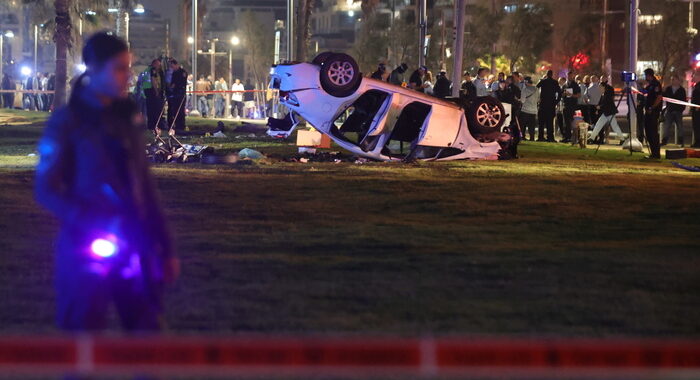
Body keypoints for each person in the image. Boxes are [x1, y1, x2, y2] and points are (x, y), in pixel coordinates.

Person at [34, 32, 178, 332]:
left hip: (135, 241)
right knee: (84, 339)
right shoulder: (68, 120)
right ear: (93, 69)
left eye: (128, 67)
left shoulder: (128, 118)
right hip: (84, 245)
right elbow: (47, 187)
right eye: (118, 68)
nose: (127, 77)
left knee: (147, 335)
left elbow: (144, 184)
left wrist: (164, 245)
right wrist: (90, 220)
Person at [589, 76, 625, 144]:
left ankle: (592, 138)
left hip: (609, 112)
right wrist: (599, 107)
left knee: (602, 125)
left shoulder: (606, 95)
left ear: (603, 88)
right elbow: (603, 103)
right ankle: (592, 138)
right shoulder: (604, 94)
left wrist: (600, 107)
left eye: (600, 87)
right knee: (601, 125)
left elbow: (607, 103)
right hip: (607, 112)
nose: (599, 88)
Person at [642, 68, 662, 159]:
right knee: (648, 133)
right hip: (649, 112)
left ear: (649, 75)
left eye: (645, 75)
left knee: (653, 133)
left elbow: (659, 97)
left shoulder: (656, 84)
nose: (645, 77)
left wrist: (652, 107)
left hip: (653, 112)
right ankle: (653, 153)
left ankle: (656, 154)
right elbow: (644, 92)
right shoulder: (650, 85)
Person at [661, 75, 686, 146]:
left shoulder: (681, 90)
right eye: (672, 80)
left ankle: (681, 141)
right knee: (666, 126)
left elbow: (683, 100)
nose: (673, 81)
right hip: (670, 110)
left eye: (674, 79)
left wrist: (681, 109)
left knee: (680, 126)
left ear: (678, 80)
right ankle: (664, 140)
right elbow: (665, 96)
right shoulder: (668, 89)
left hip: (678, 111)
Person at [536, 70, 561, 142]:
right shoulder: (555, 82)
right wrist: (556, 101)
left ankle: (540, 137)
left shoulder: (543, 81)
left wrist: (538, 99)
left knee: (541, 122)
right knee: (549, 122)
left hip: (543, 104)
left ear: (546, 74)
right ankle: (550, 137)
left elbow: (536, 88)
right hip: (551, 105)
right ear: (552, 75)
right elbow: (559, 93)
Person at [142, 59, 166, 130]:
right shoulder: (152, 70)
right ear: (154, 64)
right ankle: (156, 125)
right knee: (155, 109)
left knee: (150, 110)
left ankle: (151, 126)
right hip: (151, 91)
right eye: (158, 65)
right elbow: (153, 80)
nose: (159, 66)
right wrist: (156, 91)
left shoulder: (146, 70)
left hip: (146, 91)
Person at [166, 59, 188, 131]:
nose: (172, 68)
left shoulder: (182, 72)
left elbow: (178, 83)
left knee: (180, 110)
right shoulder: (175, 72)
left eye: (172, 66)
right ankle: (177, 125)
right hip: (175, 94)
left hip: (180, 93)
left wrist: (172, 87)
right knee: (175, 110)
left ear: (176, 64)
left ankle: (181, 125)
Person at [561, 71, 581, 143]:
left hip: (573, 106)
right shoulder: (565, 85)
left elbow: (579, 95)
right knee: (566, 123)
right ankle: (567, 137)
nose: (569, 77)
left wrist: (571, 95)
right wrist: (564, 94)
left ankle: (576, 138)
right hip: (566, 105)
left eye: (571, 76)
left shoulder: (575, 85)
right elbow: (562, 94)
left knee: (574, 123)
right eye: (568, 76)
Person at [519, 76, 539, 141]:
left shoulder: (524, 90)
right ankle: (532, 138)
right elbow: (538, 99)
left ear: (526, 82)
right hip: (533, 111)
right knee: (532, 126)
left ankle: (522, 137)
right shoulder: (536, 89)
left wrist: (518, 100)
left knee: (523, 125)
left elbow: (522, 100)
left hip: (525, 110)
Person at [692, 72, 700, 147]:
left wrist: (697, 106)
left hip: (698, 110)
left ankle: (698, 142)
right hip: (696, 109)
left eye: (694, 76)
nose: (692, 78)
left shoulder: (698, 86)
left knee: (697, 126)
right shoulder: (696, 86)